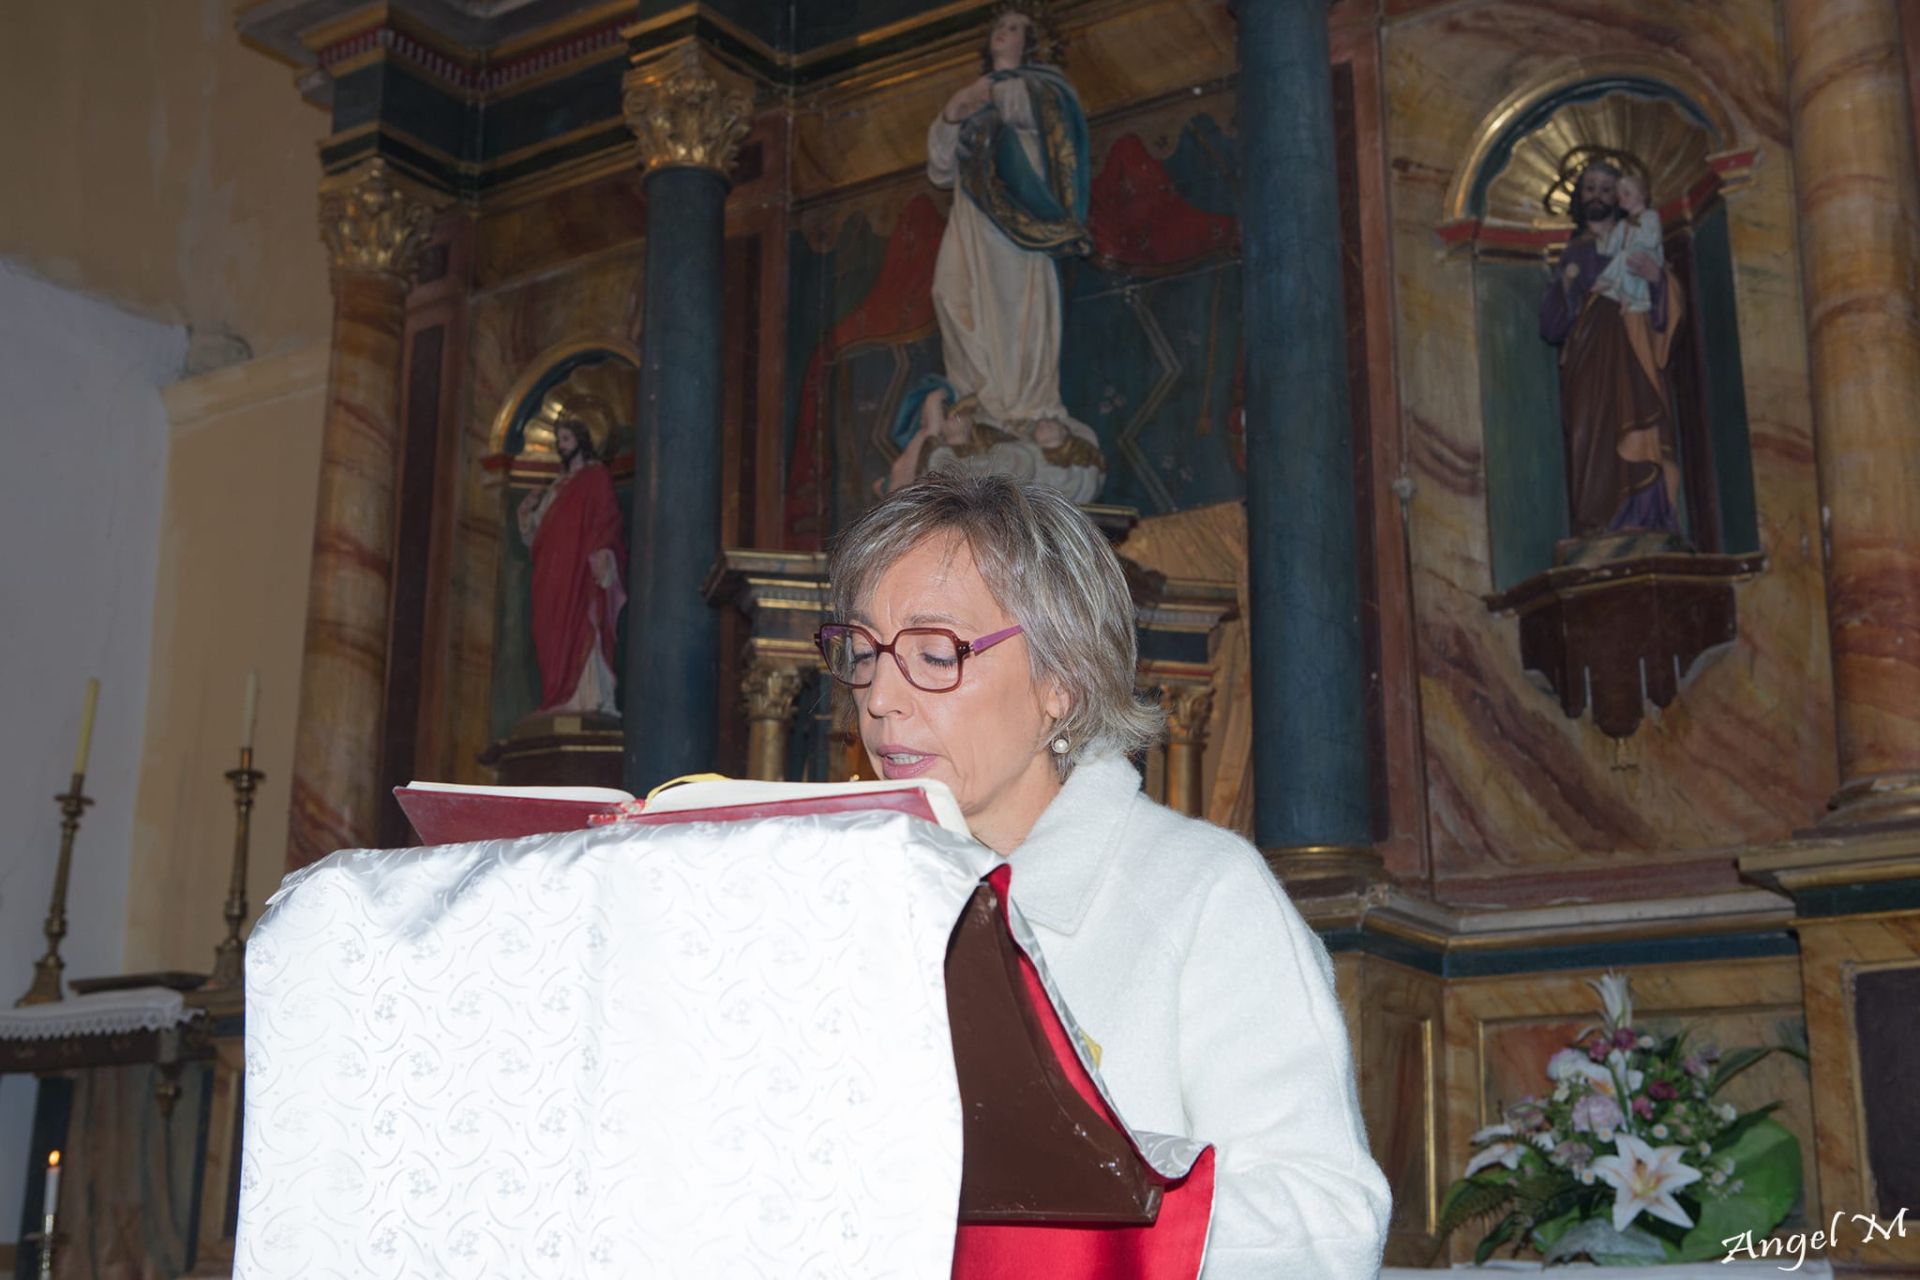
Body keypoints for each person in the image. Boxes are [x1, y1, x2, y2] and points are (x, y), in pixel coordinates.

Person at [815, 472, 1391, 1277]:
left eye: (934, 653)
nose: (878, 698)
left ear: (1062, 680)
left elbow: (1330, 1226)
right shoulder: (839, 895)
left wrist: (1102, 1179)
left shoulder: (1204, 895)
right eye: (863, 652)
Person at [921, 3, 1106, 500]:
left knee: (1014, 309)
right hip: (971, 218)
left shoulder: (1043, 89)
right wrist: (955, 110)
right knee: (949, 293)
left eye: (1013, 30)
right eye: (998, 29)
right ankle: (976, 398)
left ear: (1032, 42)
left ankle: (1022, 408)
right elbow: (940, 166)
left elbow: (1045, 126)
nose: (1002, 36)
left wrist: (992, 93)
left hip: (1020, 224)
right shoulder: (974, 93)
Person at [1540, 160, 1686, 538]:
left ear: (1622, 198)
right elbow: (1552, 325)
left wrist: (1656, 280)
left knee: (1641, 421)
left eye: (1607, 189)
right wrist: (1569, 288)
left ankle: (1646, 518)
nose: (1598, 196)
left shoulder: (1640, 237)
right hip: (1588, 365)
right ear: (1579, 196)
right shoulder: (1574, 254)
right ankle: (1599, 524)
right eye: (1590, 187)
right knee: (1594, 442)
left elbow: (1671, 303)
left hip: (1634, 348)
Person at [516, 415, 627, 716]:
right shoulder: (556, 486)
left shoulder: (595, 477)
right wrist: (526, 513)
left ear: (580, 440)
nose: (561, 446)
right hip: (551, 570)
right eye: (558, 441)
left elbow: (607, 518)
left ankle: (583, 698)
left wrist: (604, 551)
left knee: (579, 623)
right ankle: (555, 694)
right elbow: (537, 532)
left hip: (579, 571)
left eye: (566, 439)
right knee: (549, 630)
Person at [1590, 172, 1662, 316]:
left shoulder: (1650, 216)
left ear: (1641, 196)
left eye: (1626, 193)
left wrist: (1635, 239)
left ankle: (1608, 282)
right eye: (1619, 195)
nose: (1621, 198)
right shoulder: (1623, 224)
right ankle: (1624, 296)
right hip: (1628, 262)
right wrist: (1604, 239)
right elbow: (1611, 249)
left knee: (1625, 256)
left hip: (1647, 257)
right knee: (1623, 257)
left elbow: (1652, 240)